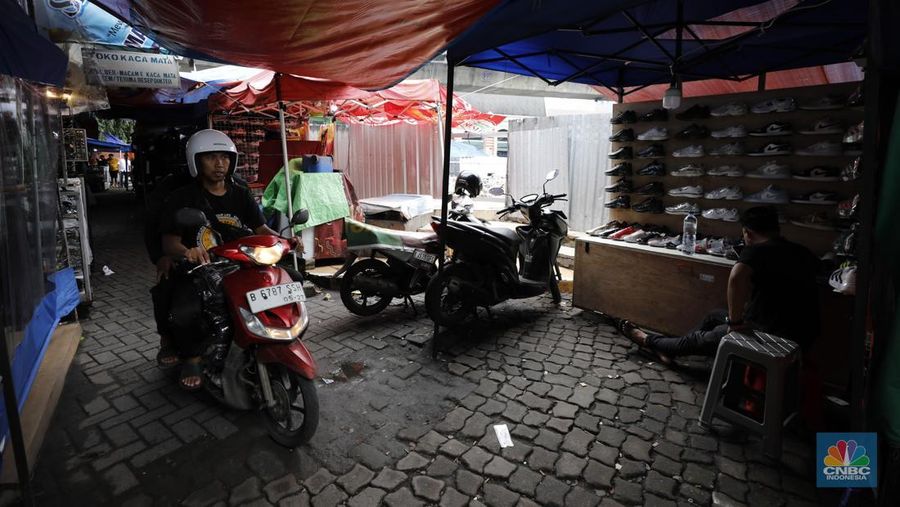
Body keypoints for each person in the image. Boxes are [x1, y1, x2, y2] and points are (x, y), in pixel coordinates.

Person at [619, 206, 821, 363]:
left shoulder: (757, 250)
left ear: (747, 233)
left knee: (700, 338)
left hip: (769, 336)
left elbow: (736, 278)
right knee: (714, 315)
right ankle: (670, 350)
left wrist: (735, 323)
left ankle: (648, 341)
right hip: (803, 336)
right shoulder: (803, 252)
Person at [159, 129, 281, 390]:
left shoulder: (241, 192)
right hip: (199, 268)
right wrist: (186, 251)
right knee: (185, 311)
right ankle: (192, 357)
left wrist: (284, 241)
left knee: (279, 287)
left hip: (240, 263)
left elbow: (260, 229)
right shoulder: (183, 198)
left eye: (224, 157)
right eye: (211, 157)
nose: (220, 164)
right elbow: (169, 241)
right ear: (196, 160)